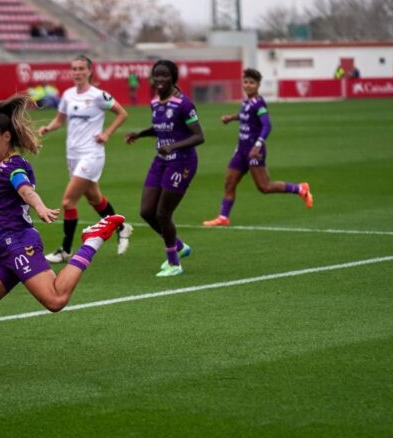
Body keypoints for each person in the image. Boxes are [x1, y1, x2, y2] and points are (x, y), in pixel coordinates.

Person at [0, 94, 125, 387]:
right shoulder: (2, 166)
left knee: (56, 300)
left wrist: (38, 206)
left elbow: (24, 189)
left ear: (6, 137)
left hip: (19, 244)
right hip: (2, 253)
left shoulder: (13, 167)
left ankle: (92, 240)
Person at [39, 55, 132, 261]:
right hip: (72, 154)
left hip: (92, 154)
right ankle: (122, 227)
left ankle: (65, 250)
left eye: (81, 69)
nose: (77, 72)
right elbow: (59, 120)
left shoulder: (99, 95)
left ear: (90, 71)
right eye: (74, 69)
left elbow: (122, 113)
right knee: (94, 199)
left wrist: (107, 134)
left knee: (68, 202)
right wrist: (47, 128)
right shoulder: (68, 95)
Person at [202, 68, 313, 228]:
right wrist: (231, 118)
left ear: (258, 85)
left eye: (251, 83)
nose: (248, 85)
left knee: (264, 187)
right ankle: (223, 217)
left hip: (255, 151)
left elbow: (267, 125)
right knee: (229, 183)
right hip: (241, 150)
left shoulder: (259, 103)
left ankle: (300, 188)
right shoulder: (247, 101)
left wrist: (258, 145)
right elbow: (244, 115)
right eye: (246, 82)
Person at [125, 59, 204, 277]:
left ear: (173, 78)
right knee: (146, 211)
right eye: (156, 75)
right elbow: (160, 128)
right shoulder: (155, 102)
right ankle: (178, 245)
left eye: (165, 76)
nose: (160, 79)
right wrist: (140, 134)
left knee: (163, 213)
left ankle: (174, 263)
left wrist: (174, 146)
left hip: (182, 161)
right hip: (161, 159)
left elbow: (199, 136)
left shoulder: (183, 104)